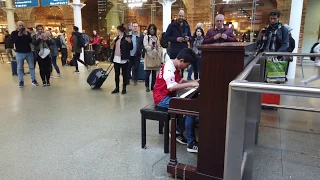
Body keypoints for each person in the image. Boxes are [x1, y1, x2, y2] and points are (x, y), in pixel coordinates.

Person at [153, 48, 199, 153]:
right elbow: (172, 87)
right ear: (181, 60)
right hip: (161, 98)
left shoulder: (176, 66)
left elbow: (180, 81)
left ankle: (178, 130)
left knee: (190, 103)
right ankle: (191, 143)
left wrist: (193, 81)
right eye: (187, 65)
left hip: (169, 96)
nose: (187, 67)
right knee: (189, 108)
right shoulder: (169, 67)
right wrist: (191, 84)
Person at [11, 21, 39, 88]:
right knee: (20, 67)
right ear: (17, 26)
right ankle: (21, 81)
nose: (21, 27)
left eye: (22, 25)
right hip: (19, 53)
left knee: (31, 67)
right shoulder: (14, 33)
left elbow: (30, 41)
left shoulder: (27, 32)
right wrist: (18, 36)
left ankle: (33, 80)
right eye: (20, 25)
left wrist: (27, 35)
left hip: (28, 52)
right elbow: (13, 41)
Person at [110, 24, 133, 94]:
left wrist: (130, 42)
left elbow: (131, 48)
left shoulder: (126, 38)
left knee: (124, 74)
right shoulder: (117, 38)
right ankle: (117, 87)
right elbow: (114, 48)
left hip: (123, 58)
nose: (117, 31)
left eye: (118, 30)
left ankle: (124, 88)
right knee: (116, 74)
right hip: (116, 58)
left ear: (121, 31)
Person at [143, 24, 162, 92]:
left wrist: (159, 55)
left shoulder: (156, 37)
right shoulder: (146, 37)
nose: (152, 30)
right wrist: (151, 47)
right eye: (151, 29)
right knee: (147, 73)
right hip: (148, 56)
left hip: (155, 56)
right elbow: (145, 46)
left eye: (153, 29)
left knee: (154, 73)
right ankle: (147, 86)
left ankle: (153, 86)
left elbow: (159, 47)